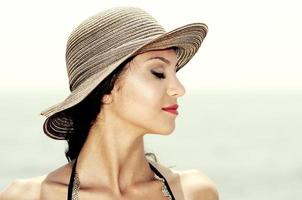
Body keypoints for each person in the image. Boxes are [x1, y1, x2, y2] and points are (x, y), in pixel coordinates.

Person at [0, 6, 219, 200]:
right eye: (158, 73)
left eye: (175, 72)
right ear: (106, 89)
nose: (179, 89)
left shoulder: (195, 193)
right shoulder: (30, 196)